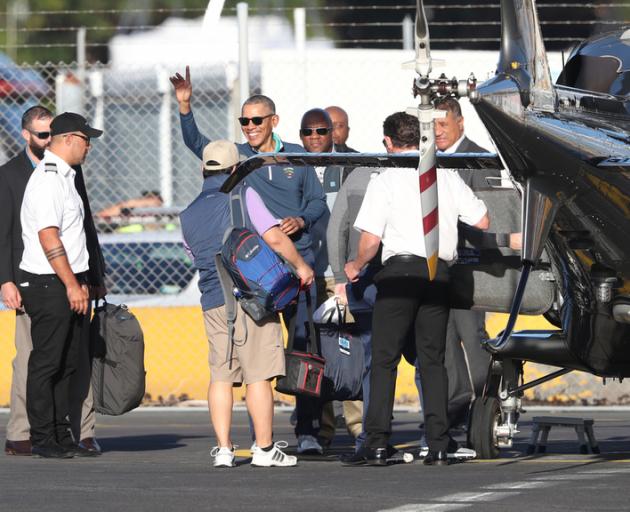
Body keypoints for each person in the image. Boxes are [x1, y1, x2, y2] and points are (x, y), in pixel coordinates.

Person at [170, 66, 327, 455]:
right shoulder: (238, 161)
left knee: (305, 350)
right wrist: (185, 106)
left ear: (274, 121)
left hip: (296, 268)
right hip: (256, 277)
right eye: (244, 120)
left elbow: (319, 202)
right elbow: (199, 146)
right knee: (261, 362)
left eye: (257, 120)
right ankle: (271, 438)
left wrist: (302, 219)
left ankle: (309, 428)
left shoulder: (297, 158)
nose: (250, 126)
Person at [341, 112, 489, 467]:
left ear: (389, 143)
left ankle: (376, 441)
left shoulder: (386, 179)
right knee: (433, 359)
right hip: (438, 272)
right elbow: (482, 220)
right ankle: (438, 443)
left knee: (385, 359)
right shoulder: (444, 174)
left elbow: (371, 241)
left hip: (399, 274)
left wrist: (356, 265)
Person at [179, 140, 314, 467]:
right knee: (258, 376)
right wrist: (301, 266)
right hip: (252, 299)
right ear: (236, 169)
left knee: (221, 376)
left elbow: (192, 255)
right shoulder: (243, 196)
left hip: (213, 301)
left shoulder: (188, 214)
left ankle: (224, 450)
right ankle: (265, 449)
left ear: (203, 169)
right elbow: (275, 238)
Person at [0, 106, 103, 457]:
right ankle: (42, 437)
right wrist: (72, 284)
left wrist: (84, 280)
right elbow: (49, 238)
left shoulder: (67, 177)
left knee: (69, 362)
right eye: (86, 141)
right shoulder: (46, 179)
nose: (89, 147)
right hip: (48, 284)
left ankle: (61, 433)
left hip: (67, 282)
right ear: (70, 140)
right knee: (47, 362)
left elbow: (78, 236)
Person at [419, 97, 521, 433]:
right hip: (438, 266)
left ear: (460, 122)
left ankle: (485, 404)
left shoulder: (478, 158)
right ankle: (456, 407)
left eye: (443, 124)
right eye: (433, 125)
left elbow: (488, 216)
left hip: (471, 268)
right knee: (443, 340)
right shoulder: (427, 159)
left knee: (472, 336)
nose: (438, 132)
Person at [298, 108, 362, 447]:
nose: (316, 137)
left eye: (322, 131)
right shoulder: (289, 165)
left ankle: (358, 425)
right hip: (308, 276)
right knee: (315, 357)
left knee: (351, 350)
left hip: (343, 275)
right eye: (308, 132)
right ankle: (322, 430)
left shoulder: (356, 164)